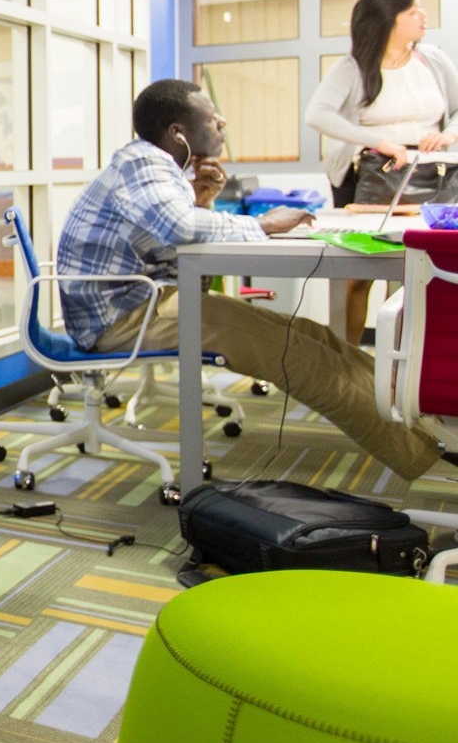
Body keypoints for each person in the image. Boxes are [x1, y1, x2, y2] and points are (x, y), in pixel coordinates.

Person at [59, 78, 448, 480]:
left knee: (310, 336)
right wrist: (262, 225)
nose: (222, 123)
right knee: (292, 353)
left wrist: (202, 201)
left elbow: (184, 263)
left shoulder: (159, 170)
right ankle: (429, 459)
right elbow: (179, 229)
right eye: (212, 119)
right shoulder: (145, 163)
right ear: (178, 133)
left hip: (145, 303)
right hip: (121, 320)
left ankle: (423, 423)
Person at [306, 0, 458, 342]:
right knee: (357, 276)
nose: (423, 16)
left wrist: (449, 135)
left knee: (412, 273)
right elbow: (318, 115)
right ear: (388, 19)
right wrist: (379, 142)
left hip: (429, 178)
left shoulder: (433, 59)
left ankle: (401, 371)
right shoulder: (352, 67)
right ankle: (345, 365)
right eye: (413, 11)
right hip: (367, 178)